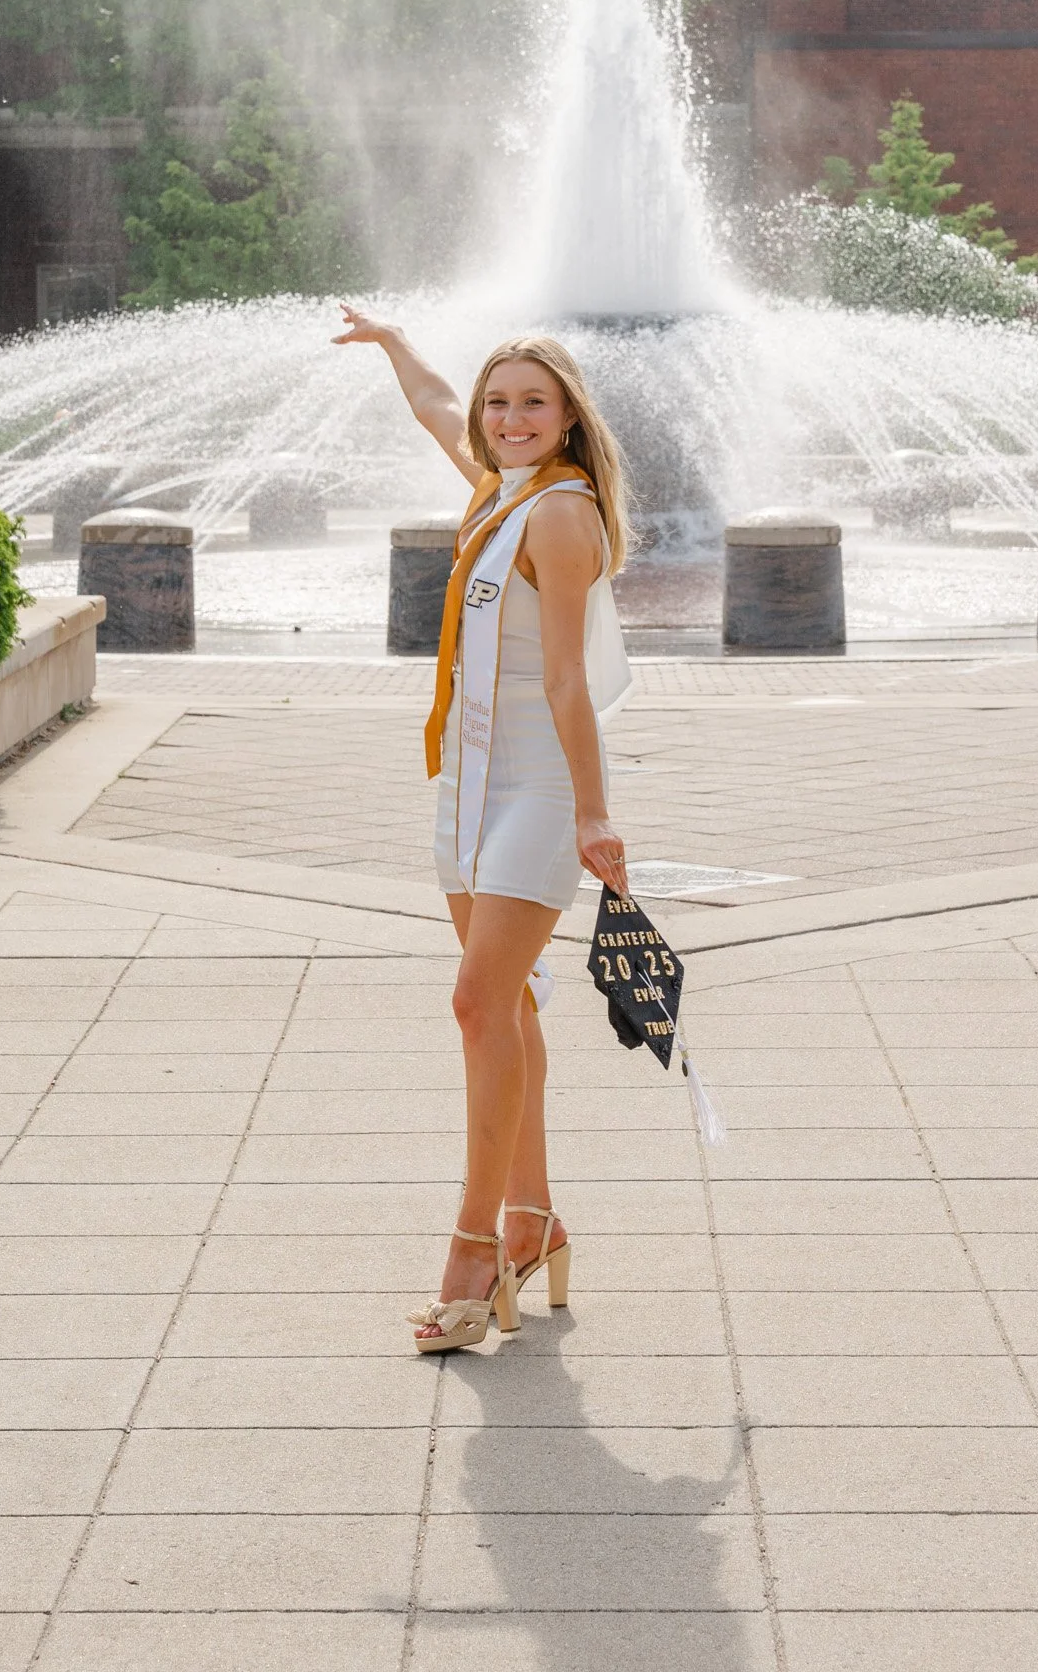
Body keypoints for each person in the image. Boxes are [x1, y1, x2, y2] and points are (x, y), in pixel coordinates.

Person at [334, 308, 633, 1352]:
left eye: (532, 403)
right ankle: (534, 1218)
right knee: (505, 1011)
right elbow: (432, 408)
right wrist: (393, 345)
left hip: (537, 793)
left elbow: (564, 679)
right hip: (465, 786)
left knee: (474, 1003)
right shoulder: (497, 494)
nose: (509, 418)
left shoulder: (558, 513)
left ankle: (473, 1246)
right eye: (497, 402)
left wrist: (595, 813)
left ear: (566, 419)